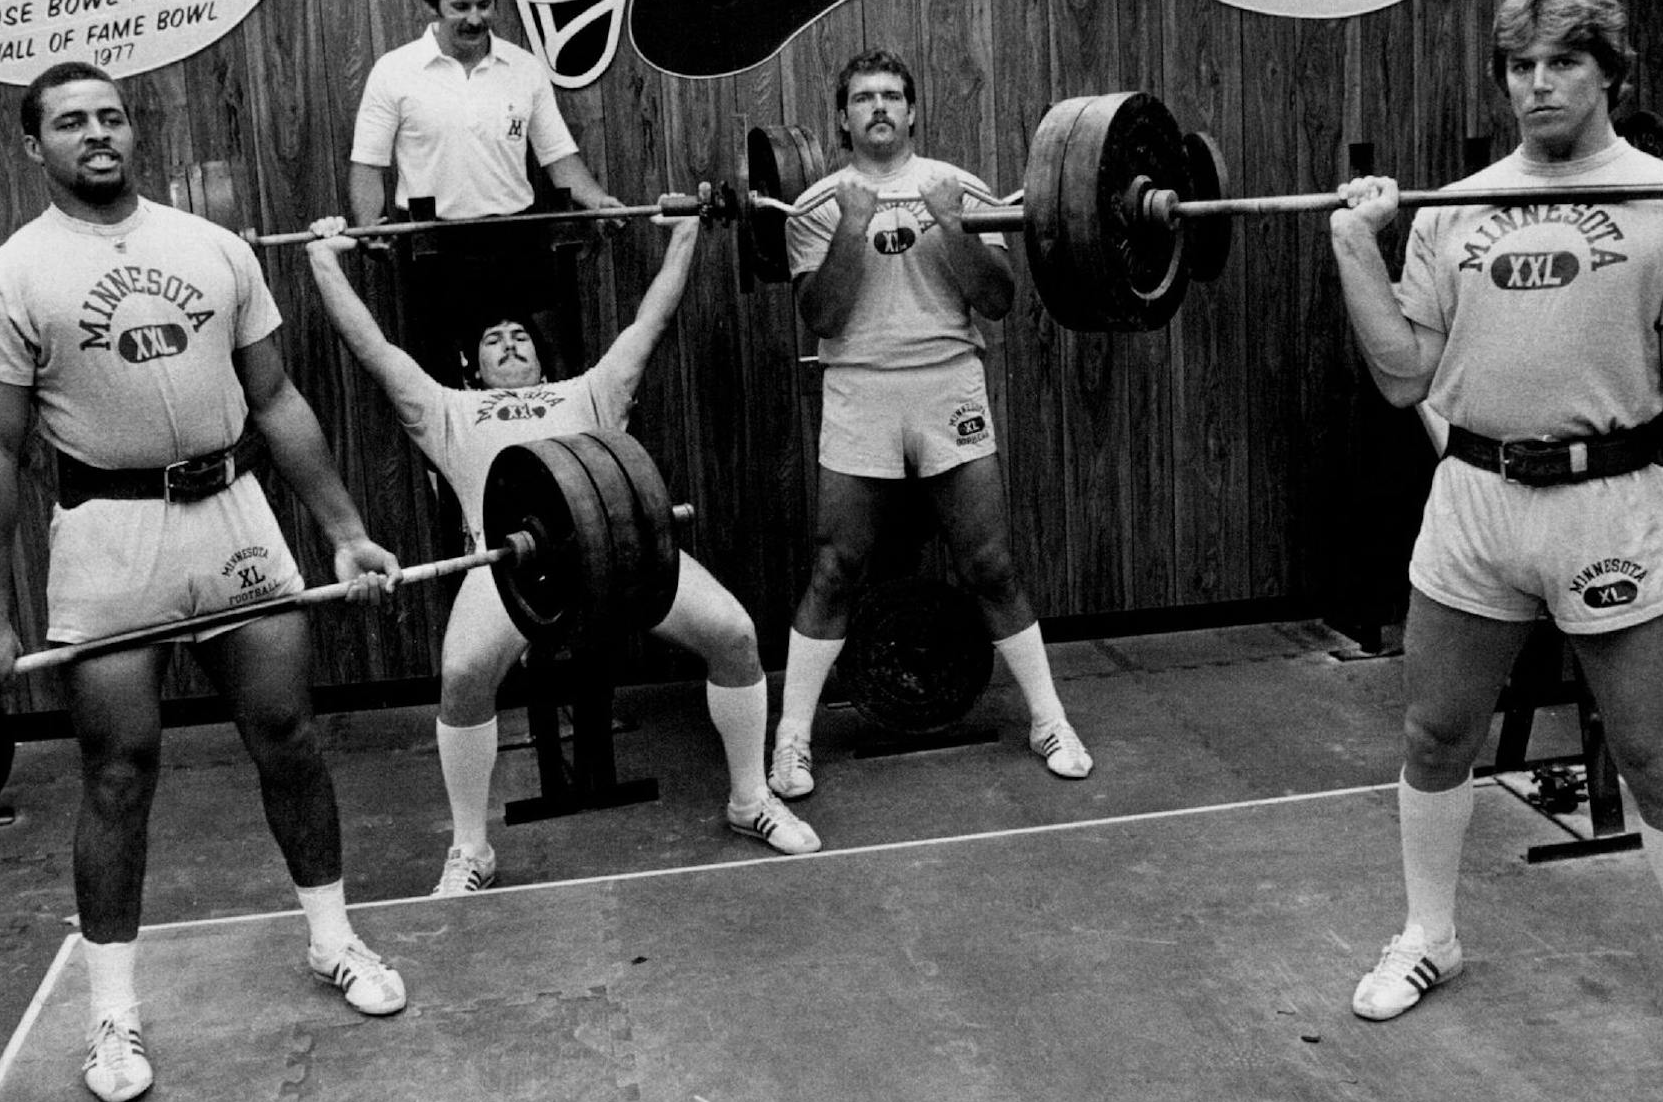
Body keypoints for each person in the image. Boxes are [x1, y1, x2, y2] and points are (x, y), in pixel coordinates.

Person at [1328, 0, 1663, 1097]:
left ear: (1607, 71)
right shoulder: (1454, 205)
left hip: (1611, 502)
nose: (1538, 85)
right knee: (1435, 735)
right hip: (1475, 501)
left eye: (1563, 64)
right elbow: (1403, 375)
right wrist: (1356, 246)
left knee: (1660, 758)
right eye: (1520, 65)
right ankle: (1430, 934)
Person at [0, 62, 410, 1102]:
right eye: (71, 123)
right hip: (108, 536)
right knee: (119, 768)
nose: (97, 135)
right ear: (35, 147)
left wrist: (345, 530)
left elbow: (278, 398)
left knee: (290, 737)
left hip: (232, 515)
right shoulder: (8, 279)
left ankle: (333, 939)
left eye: (110, 116)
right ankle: (112, 1011)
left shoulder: (213, 248)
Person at [305, 206, 819, 895]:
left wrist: (687, 228)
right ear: (472, 363)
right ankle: (470, 850)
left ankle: (750, 799)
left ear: (544, 354)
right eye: (495, 339)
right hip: (510, 569)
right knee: (461, 678)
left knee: (733, 635)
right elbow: (372, 350)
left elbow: (650, 323)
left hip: (624, 554)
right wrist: (321, 259)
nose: (510, 344)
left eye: (522, 335)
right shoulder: (448, 411)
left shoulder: (590, 393)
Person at [769, 49, 1095, 800]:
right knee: (835, 568)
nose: (878, 108)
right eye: (862, 98)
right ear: (843, 117)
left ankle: (1049, 718)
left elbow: (999, 300)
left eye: (891, 96)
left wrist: (952, 226)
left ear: (913, 111)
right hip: (859, 388)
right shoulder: (819, 204)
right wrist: (851, 229)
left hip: (948, 382)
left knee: (991, 565)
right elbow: (822, 315)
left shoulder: (964, 190)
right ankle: (792, 742)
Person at [348, 0, 622, 381]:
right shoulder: (394, 71)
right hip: (431, 246)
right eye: (460, 6)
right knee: (445, 382)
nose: (475, 18)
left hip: (517, 238)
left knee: (540, 376)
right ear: (432, 6)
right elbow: (368, 164)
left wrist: (598, 201)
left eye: (484, 4)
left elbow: (558, 155)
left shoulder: (524, 67)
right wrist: (368, 228)